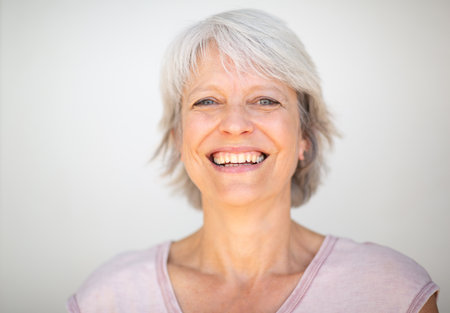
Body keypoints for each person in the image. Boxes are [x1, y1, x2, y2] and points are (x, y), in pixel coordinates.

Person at [66, 9, 439, 313]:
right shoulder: (107, 298)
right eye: (207, 101)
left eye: (266, 100)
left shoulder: (393, 293)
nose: (235, 124)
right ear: (179, 139)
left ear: (304, 138)